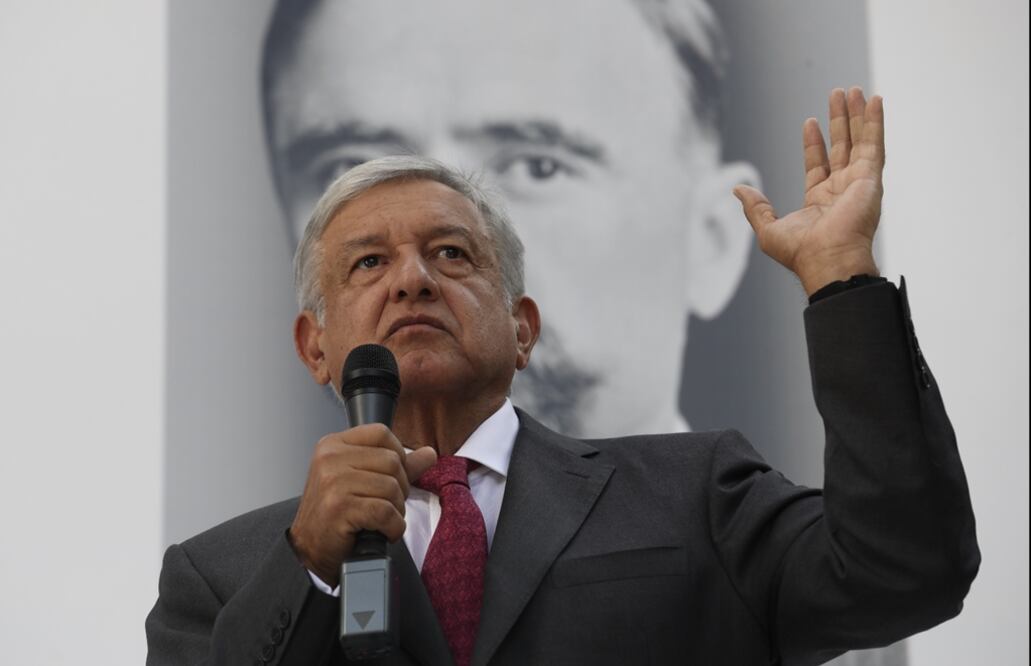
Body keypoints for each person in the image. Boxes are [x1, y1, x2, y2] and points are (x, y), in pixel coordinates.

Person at [147, 89, 979, 665]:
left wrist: (840, 280)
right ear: (314, 347)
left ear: (522, 329)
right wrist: (308, 565)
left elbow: (902, 574)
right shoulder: (221, 574)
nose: (412, 280)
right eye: (368, 262)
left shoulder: (695, 494)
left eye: (449, 253)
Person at [259, 0, 758, 438]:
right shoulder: (249, 550)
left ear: (711, 239)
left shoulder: (759, 533)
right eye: (356, 168)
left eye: (537, 167)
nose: (421, 263)